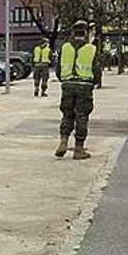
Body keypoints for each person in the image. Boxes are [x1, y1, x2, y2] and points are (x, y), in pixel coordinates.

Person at [55, 21, 100, 160]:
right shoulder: (91, 48)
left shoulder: (65, 47)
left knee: (67, 114)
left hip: (67, 85)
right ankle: (79, 149)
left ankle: (63, 142)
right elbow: (96, 69)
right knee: (81, 116)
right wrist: (93, 82)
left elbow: (58, 69)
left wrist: (65, 80)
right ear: (86, 33)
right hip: (84, 86)